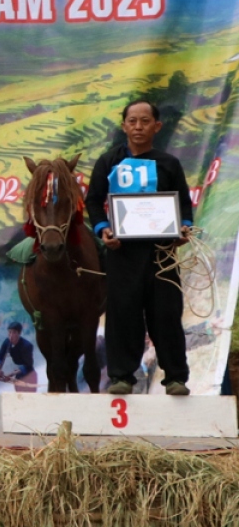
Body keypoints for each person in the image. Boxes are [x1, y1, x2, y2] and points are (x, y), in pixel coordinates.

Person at [86, 99, 193, 396]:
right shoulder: (109, 161)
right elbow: (93, 201)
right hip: (122, 253)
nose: (138, 126)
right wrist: (103, 229)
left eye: (145, 121)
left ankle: (175, 378)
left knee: (167, 314)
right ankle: (121, 377)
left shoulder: (169, 163)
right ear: (123, 126)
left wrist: (183, 226)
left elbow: (184, 202)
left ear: (156, 126)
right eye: (132, 121)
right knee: (122, 313)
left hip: (162, 254)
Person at [0, 322, 37, 391]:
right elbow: (0, 356)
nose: (11, 335)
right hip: (18, 375)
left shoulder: (27, 346)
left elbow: (28, 365)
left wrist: (11, 374)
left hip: (29, 374)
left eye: (14, 332)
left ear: (19, 333)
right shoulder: (7, 342)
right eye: (9, 332)